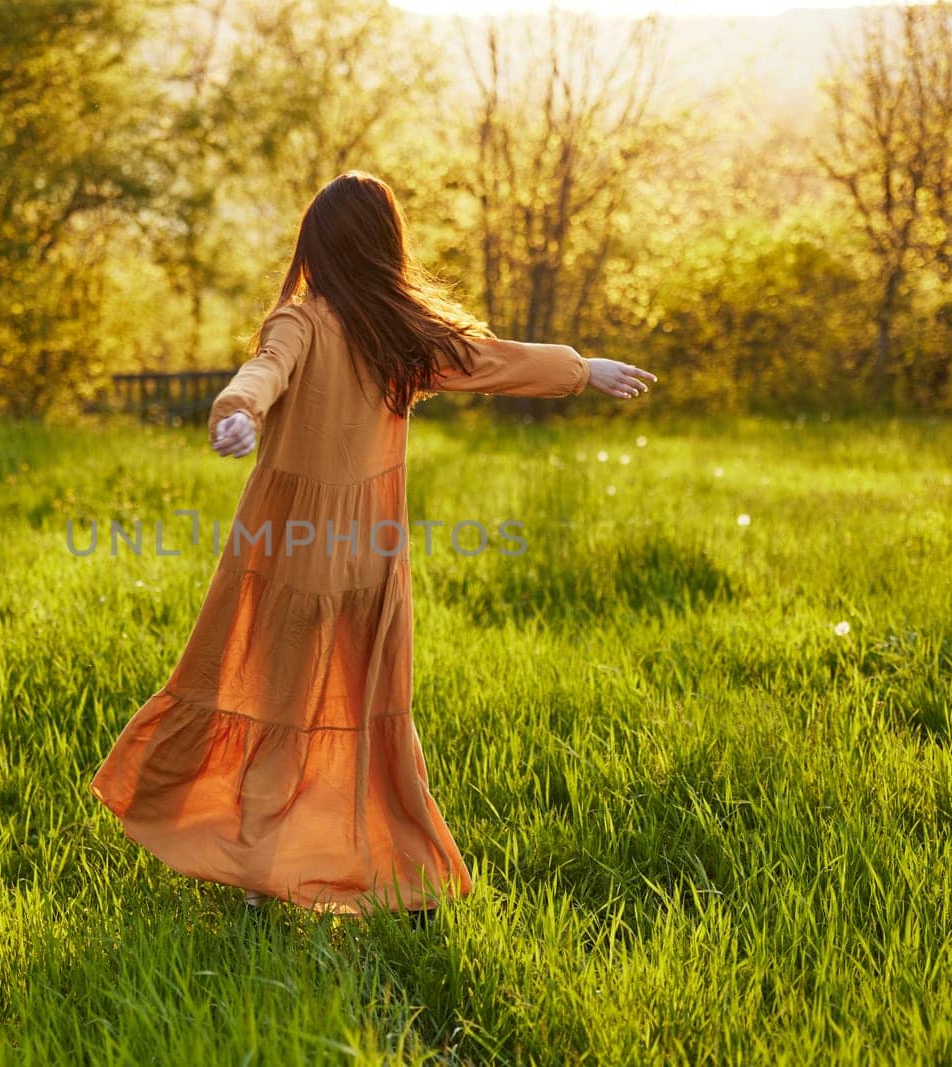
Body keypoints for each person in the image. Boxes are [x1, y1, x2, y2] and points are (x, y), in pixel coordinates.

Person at [89, 171, 655, 917]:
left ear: (317, 245)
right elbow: (281, 373)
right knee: (358, 706)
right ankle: (361, 863)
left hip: (294, 549)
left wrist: (240, 412)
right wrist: (585, 369)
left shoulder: (326, 321)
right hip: (363, 554)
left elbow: (272, 368)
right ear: (386, 246)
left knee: (276, 698)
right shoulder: (387, 329)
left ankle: (269, 859)